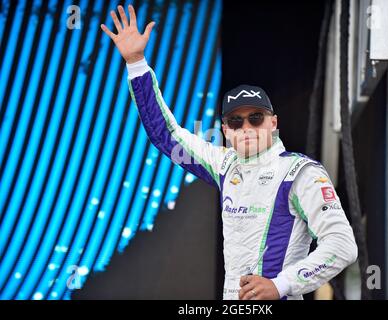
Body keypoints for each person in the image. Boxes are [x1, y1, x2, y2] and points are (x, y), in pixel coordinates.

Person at [101, 4, 358, 300]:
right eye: (236, 120)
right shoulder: (224, 165)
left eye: (256, 118)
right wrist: (136, 63)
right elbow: (166, 135)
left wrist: (281, 284)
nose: (246, 126)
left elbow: (342, 245)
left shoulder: (300, 173)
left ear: (273, 122)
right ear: (225, 130)